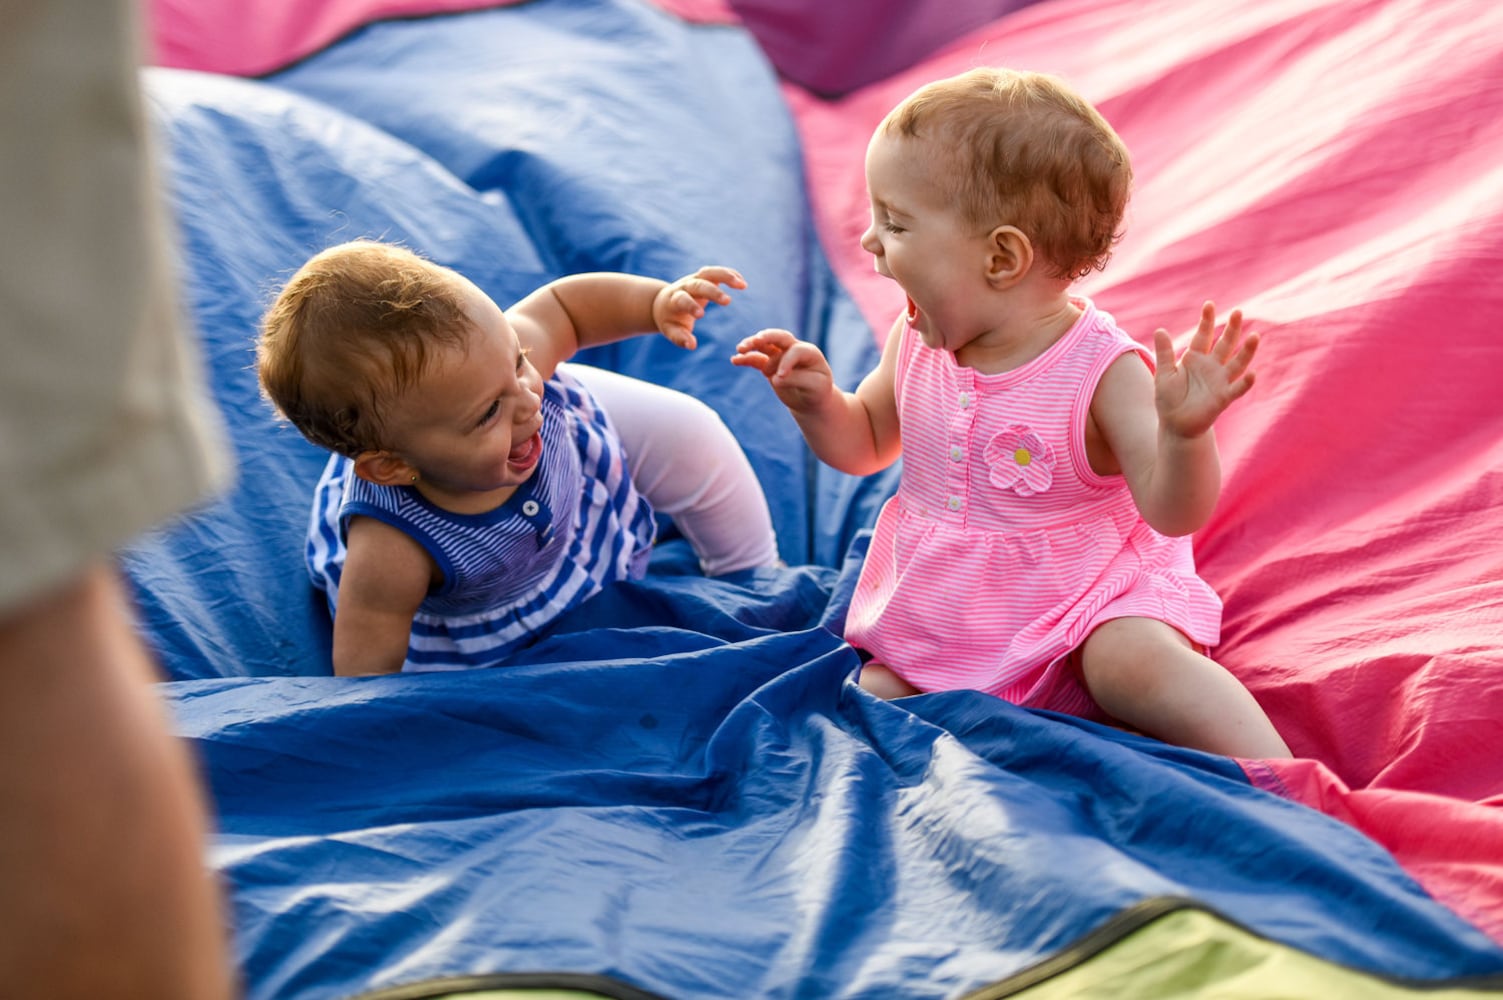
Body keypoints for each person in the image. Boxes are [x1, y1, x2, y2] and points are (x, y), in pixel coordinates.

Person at [733, 68, 1291, 759]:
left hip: (1089, 602)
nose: (870, 243)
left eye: (896, 223)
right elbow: (866, 443)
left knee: (1129, 662)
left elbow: (1173, 513)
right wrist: (818, 403)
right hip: (955, 616)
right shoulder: (915, 337)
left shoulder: (1100, 372)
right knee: (864, 697)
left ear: (1001, 257)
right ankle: (1005, 696)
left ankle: (1279, 775)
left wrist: (1183, 434)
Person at [0, 1, 240, 997]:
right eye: (489, 408)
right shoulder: (389, 539)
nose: (524, 411)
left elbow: (548, 329)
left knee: (30, 599)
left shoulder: (551, 410)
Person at [259, 240, 780, 676]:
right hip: (489, 608)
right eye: (488, 412)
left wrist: (657, 303)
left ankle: (753, 573)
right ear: (393, 467)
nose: (530, 399)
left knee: (692, 430)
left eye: (519, 360)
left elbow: (564, 308)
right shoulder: (390, 547)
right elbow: (366, 661)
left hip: (571, 454)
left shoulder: (516, 387)